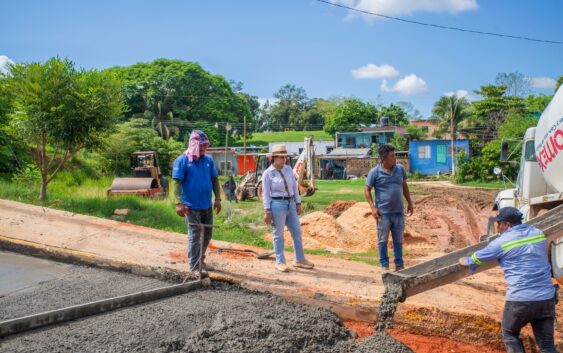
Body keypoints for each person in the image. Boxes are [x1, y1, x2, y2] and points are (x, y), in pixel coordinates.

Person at [459, 207, 557, 353]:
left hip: (520, 299)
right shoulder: (538, 234)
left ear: (508, 225)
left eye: (499, 225)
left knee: (510, 334)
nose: (498, 229)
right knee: (547, 346)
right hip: (546, 298)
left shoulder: (501, 242)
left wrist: (464, 260)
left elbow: (474, 259)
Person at [172, 130, 222, 275]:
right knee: (195, 235)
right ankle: (194, 267)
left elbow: (214, 180)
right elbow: (176, 183)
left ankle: (201, 260)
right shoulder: (182, 161)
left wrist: (218, 199)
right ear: (193, 144)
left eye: (205, 145)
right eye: (201, 145)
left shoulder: (208, 160)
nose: (203, 148)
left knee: (207, 234)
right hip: (190, 206)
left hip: (206, 205)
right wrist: (178, 203)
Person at [262, 144, 314, 272]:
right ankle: (280, 261)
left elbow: (294, 188)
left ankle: (299, 259)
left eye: (285, 157)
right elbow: (265, 194)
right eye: (281, 157)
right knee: (278, 234)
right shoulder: (268, 174)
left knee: (296, 231)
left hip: (290, 203)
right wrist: (267, 211)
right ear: (274, 158)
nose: (284, 160)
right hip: (277, 205)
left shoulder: (288, 169)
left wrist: (298, 202)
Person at [364, 143, 413, 273]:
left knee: (398, 240)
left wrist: (410, 202)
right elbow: (367, 190)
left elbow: (404, 186)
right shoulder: (374, 172)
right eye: (392, 156)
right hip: (383, 214)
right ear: (383, 158)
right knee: (382, 240)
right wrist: (373, 208)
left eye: (395, 155)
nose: (395, 158)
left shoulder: (400, 169)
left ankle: (399, 265)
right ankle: (384, 266)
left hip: (398, 212)